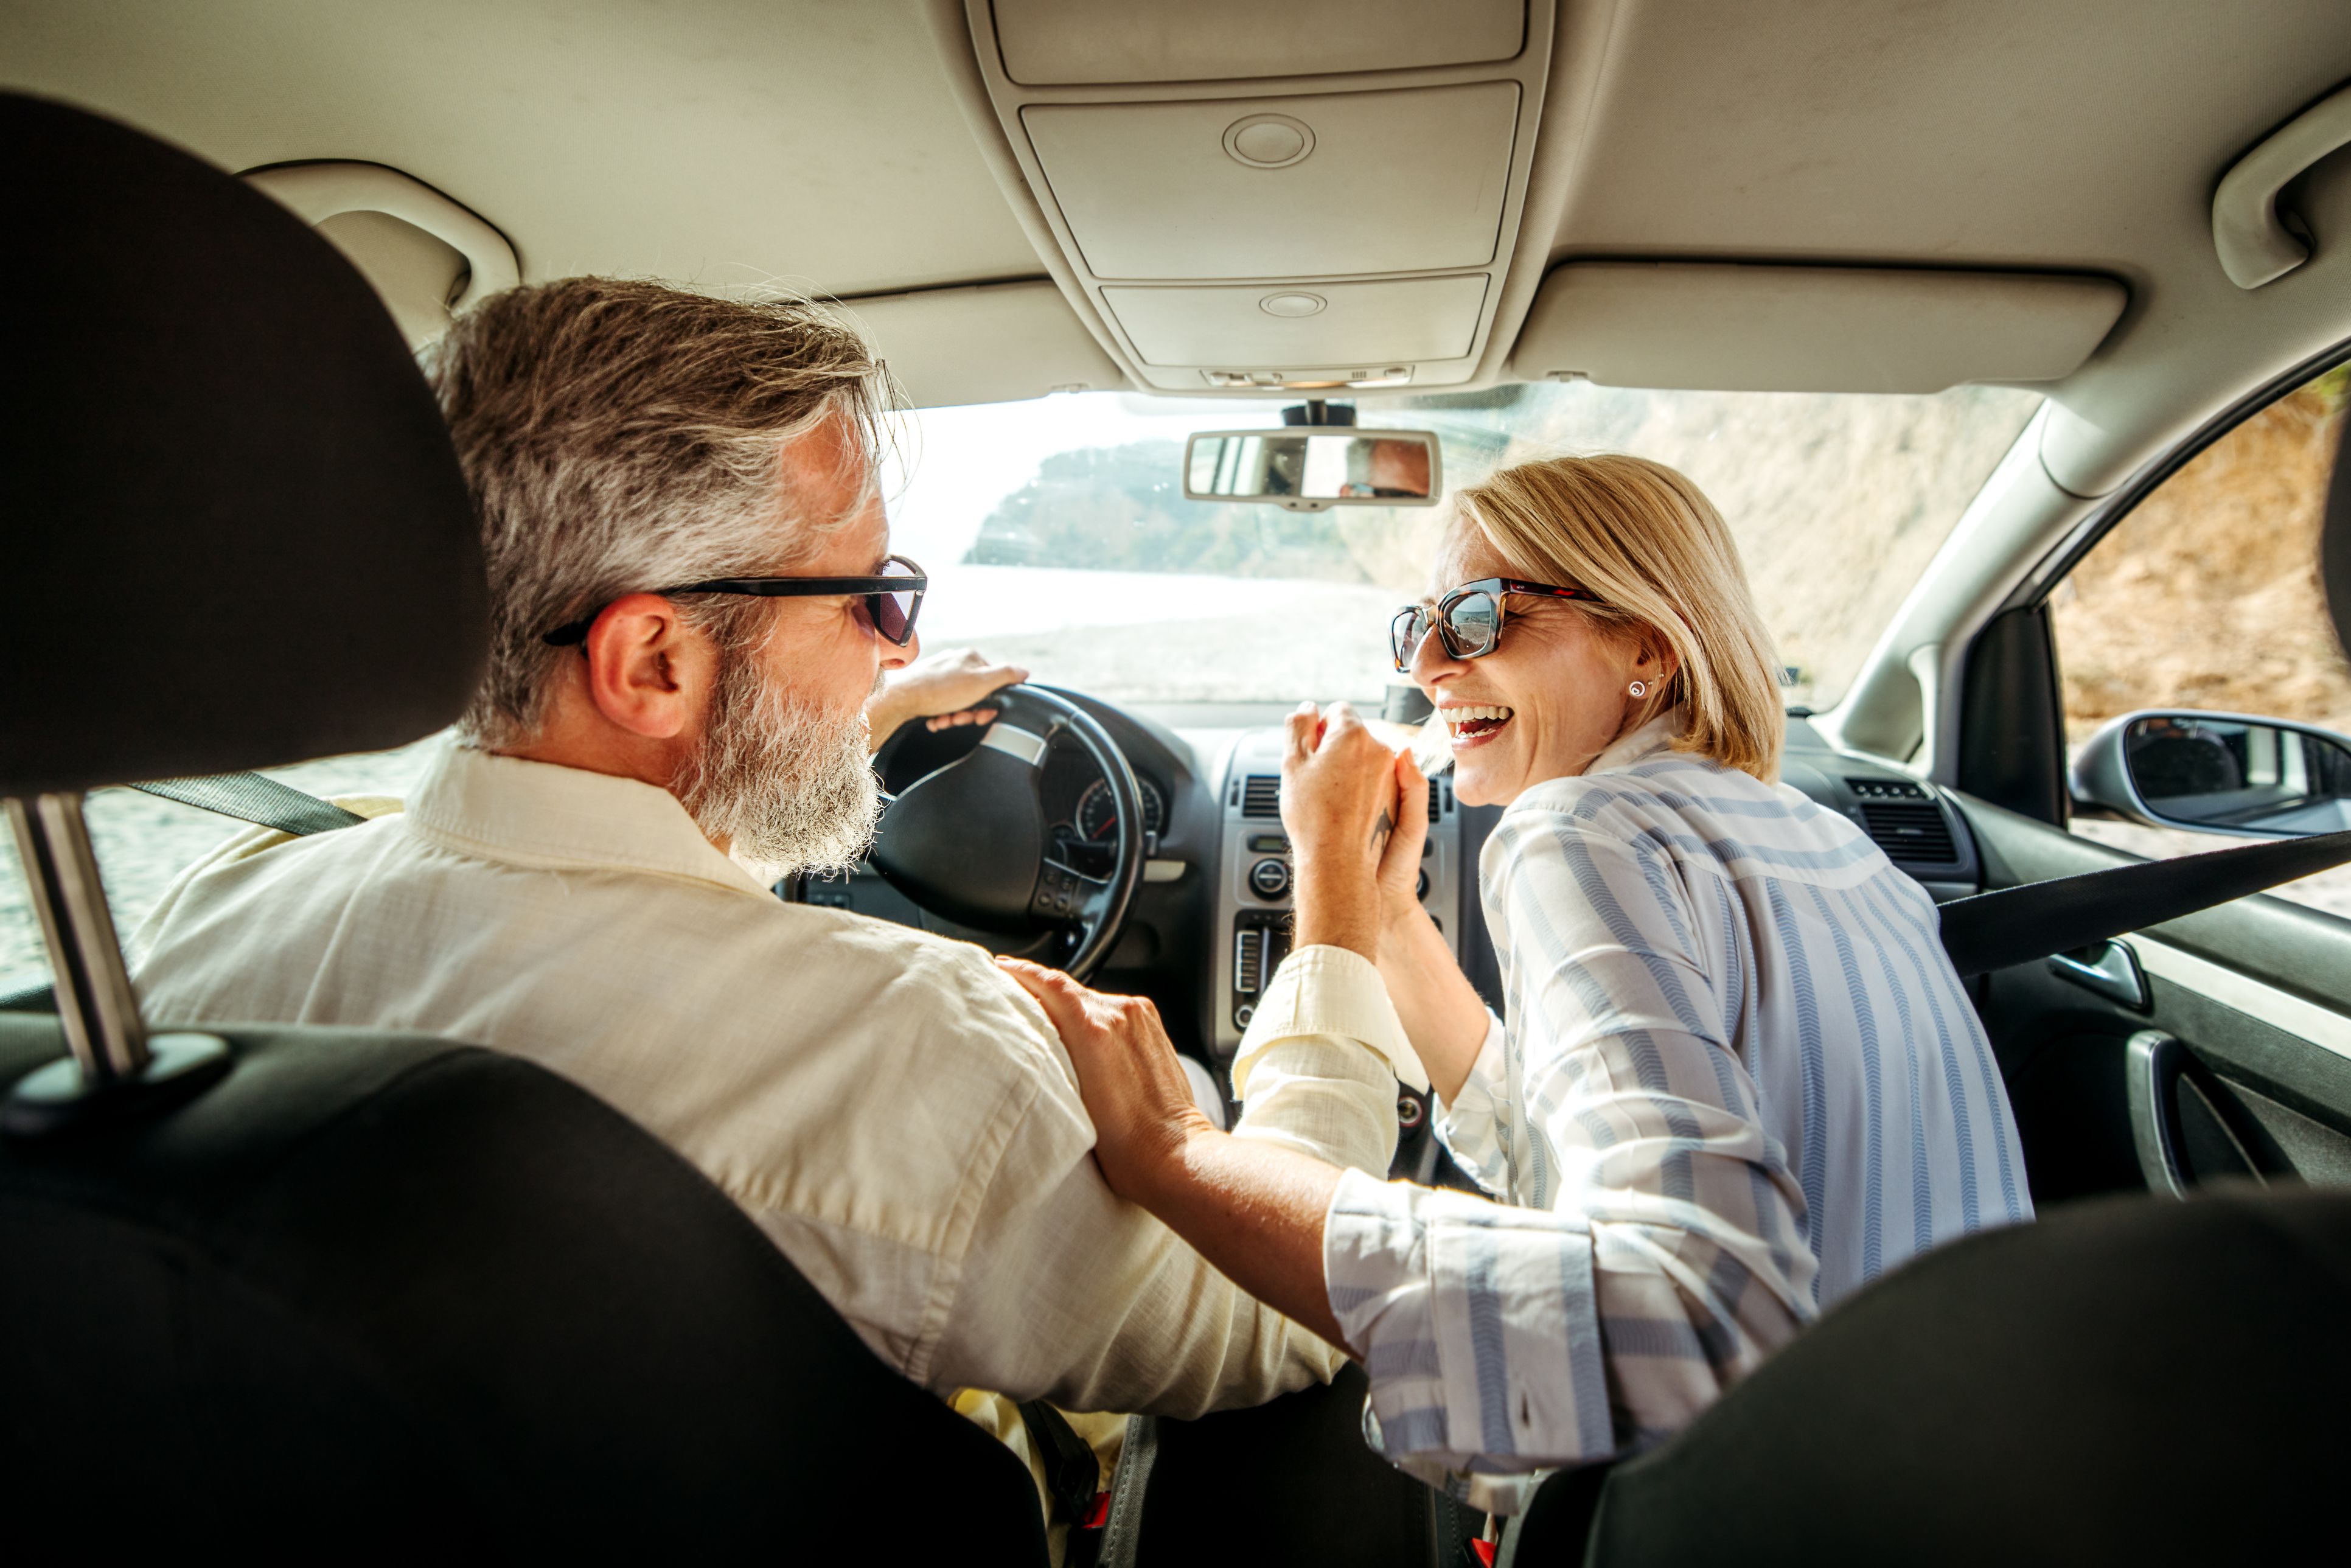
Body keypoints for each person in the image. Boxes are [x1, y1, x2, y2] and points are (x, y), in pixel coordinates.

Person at [131, 280, 1414, 1491]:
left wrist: (827, 728)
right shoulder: (910, 1048)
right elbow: (1288, 1317)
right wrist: (1337, 904)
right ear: (653, 658)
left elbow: (597, 896)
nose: (891, 647)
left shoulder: (217, 918)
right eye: (871, 597)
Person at [1000, 453, 2033, 1513]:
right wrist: (1387, 917)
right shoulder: (1856, 859)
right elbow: (1581, 1156)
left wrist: (1179, 1153)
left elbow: (1685, 1322)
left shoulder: (1577, 829)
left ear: (1647, 643)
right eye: (1420, 625)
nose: (1430, 666)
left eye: (1485, 616)